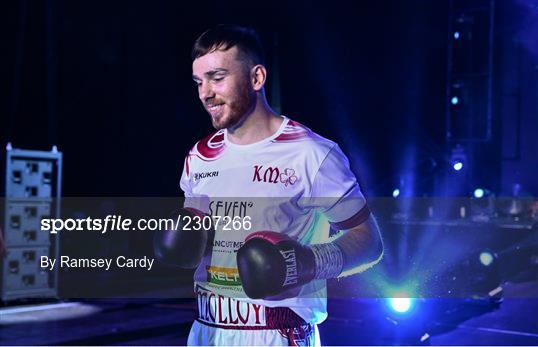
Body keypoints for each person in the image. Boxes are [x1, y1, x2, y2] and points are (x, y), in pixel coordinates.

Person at [155, 24, 383, 346]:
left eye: (217, 78)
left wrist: (307, 263)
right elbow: (196, 241)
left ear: (257, 78)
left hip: (276, 334)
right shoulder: (199, 156)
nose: (205, 93)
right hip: (206, 330)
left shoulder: (311, 154)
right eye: (199, 82)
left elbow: (369, 242)